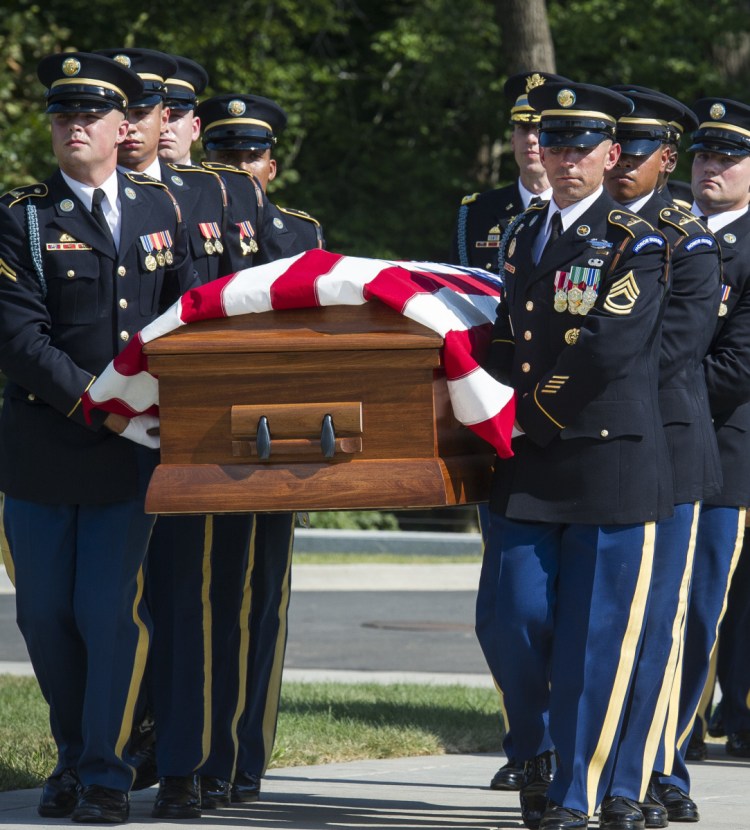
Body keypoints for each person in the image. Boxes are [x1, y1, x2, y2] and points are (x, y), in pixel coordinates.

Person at [0, 51, 194, 823]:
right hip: (45, 446)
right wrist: (97, 402)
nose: (74, 126)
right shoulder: (21, 217)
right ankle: (74, 752)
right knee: (45, 615)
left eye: (89, 116)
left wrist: (154, 408)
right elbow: (18, 337)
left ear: (125, 127)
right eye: (62, 116)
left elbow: (185, 321)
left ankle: (104, 773)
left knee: (108, 612)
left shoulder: (162, 213)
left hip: (130, 451)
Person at [476, 81, 673, 830]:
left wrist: (528, 413)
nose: (563, 160)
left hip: (605, 461)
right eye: (553, 145)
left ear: (610, 154)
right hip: (531, 458)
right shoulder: (524, 234)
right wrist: (477, 398)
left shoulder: (636, 240)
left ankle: (576, 796)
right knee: (513, 618)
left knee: (596, 640)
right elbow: (504, 332)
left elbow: (607, 347)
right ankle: (540, 749)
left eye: (580, 147)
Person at [193, 91, 324, 806]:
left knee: (259, 599)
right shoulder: (180, 223)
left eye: (248, 156)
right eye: (221, 155)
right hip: (192, 437)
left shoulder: (297, 233)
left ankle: (244, 752)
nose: (236, 168)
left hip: (273, 441)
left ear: (270, 166)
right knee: (194, 599)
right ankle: (190, 749)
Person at [602, 87, 721, 830]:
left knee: (658, 624)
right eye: (616, 151)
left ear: (666, 161)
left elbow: (674, 354)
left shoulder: (686, 238)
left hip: (668, 448)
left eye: (636, 153)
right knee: (601, 620)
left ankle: (646, 772)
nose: (621, 164)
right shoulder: (583, 230)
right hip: (596, 450)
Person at [460, 69, 566, 794]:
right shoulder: (485, 213)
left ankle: (566, 747)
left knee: (572, 611)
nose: (534, 141)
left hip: (574, 432)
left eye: (550, 131)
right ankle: (525, 740)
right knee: (506, 611)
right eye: (525, 128)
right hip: (500, 430)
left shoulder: (627, 226)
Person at [650, 96, 750, 823]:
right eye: (703, 155)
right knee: (643, 609)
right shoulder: (660, 228)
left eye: (727, 157)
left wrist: (645, 407)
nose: (709, 167)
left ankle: (670, 758)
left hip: (721, 454)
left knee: (699, 614)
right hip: (640, 448)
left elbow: (739, 365)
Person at [450, 71, 567, 275]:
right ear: (512, 140)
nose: (531, 138)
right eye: (523, 128)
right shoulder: (476, 213)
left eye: (540, 129)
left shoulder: (582, 211)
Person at [158, 55, 208, 165]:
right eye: (158, 117)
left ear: (195, 128)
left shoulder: (214, 182)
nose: (164, 127)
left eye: (175, 116)